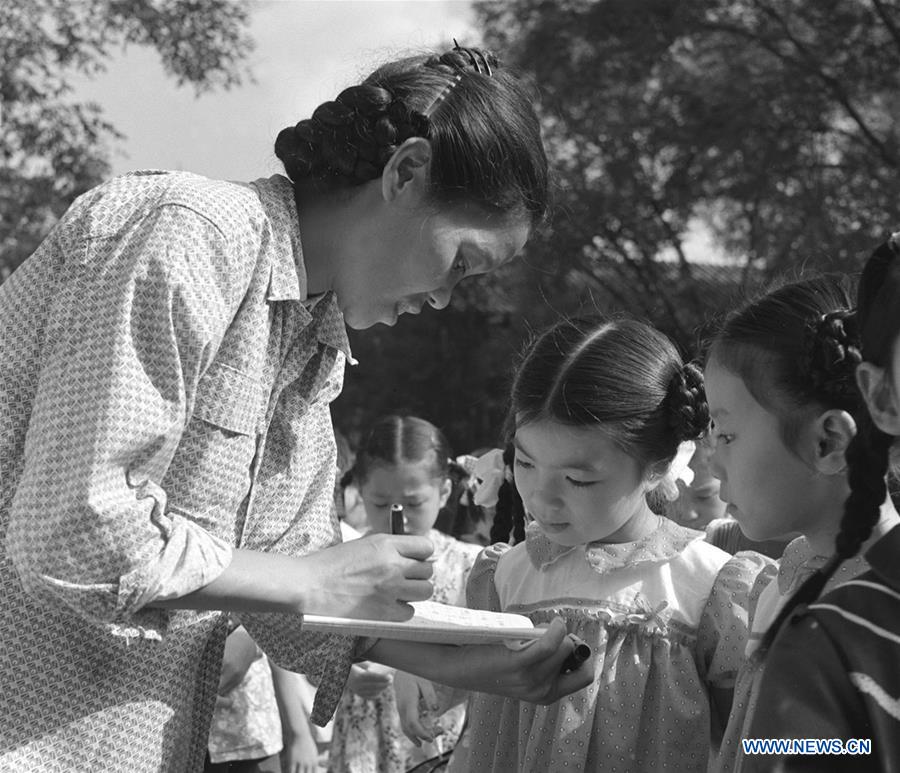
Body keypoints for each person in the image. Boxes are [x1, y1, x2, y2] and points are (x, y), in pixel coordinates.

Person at [0, 43, 592, 771]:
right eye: (461, 262)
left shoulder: (311, 348)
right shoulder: (191, 234)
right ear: (405, 172)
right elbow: (73, 524)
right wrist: (313, 578)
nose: (443, 298)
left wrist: (479, 664)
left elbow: (288, 582)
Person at [401, 315, 774, 771]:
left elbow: (753, 735)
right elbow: (475, 690)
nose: (541, 496)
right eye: (525, 463)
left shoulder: (709, 588)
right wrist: (420, 676)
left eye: (577, 479)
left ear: (657, 464)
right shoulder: (503, 576)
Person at [702, 275, 900, 771]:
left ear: (828, 442)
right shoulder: (791, 567)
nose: (710, 462)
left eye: (726, 435)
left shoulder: (880, 607)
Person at [329, 415, 482, 773]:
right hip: (362, 738)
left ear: (444, 492)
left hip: (440, 736)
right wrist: (342, 673)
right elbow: (306, 648)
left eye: (413, 504)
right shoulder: (339, 564)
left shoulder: (470, 566)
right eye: (382, 504)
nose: (399, 517)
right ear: (360, 489)